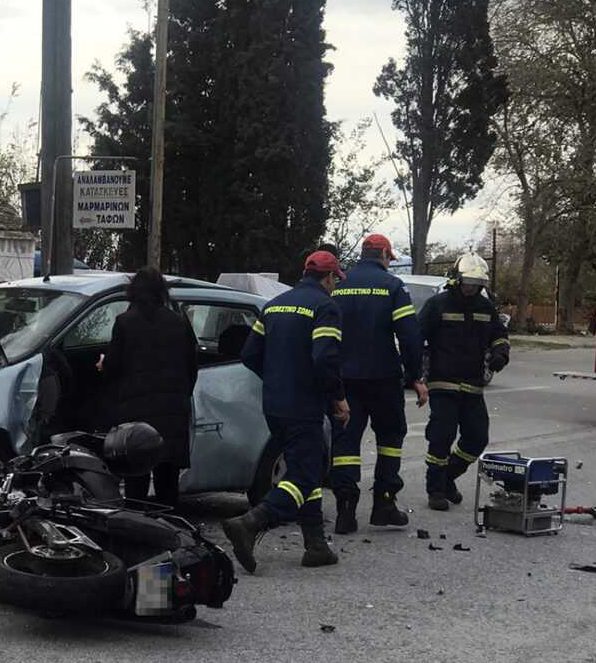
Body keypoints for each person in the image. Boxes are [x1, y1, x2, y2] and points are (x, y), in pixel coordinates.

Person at [221, 251, 349, 573]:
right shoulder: (325, 307)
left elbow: (250, 354)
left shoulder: (274, 305)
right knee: (305, 474)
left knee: (308, 467)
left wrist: (278, 379)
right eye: (336, 280)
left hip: (275, 405)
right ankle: (250, 524)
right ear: (330, 277)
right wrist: (337, 397)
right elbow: (324, 359)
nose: (335, 286)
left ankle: (316, 544)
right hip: (304, 405)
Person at [329, 234, 427, 534]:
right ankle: (384, 504)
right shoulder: (393, 287)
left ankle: (345, 512)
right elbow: (410, 337)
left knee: (345, 444)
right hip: (384, 377)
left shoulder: (339, 284)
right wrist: (415, 376)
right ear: (383, 254)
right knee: (390, 440)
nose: (389, 263)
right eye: (389, 258)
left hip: (345, 379)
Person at [98, 268, 199, 509]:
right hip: (172, 413)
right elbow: (192, 368)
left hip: (135, 414)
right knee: (167, 480)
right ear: (162, 291)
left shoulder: (125, 322)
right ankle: (169, 530)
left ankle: (135, 531)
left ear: (132, 292)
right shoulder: (179, 323)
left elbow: (113, 367)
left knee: (135, 474)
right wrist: (180, 396)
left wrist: (103, 365)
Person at [418, 253, 510, 511]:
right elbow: (417, 337)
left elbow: (499, 335)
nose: (471, 287)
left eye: (476, 283)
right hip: (443, 384)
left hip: (472, 385)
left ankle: (448, 478)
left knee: (477, 437)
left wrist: (501, 354)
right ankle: (435, 489)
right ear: (457, 280)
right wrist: (417, 375)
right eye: (467, 282)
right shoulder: (437, 305)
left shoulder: (485, 307)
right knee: (441, 437)